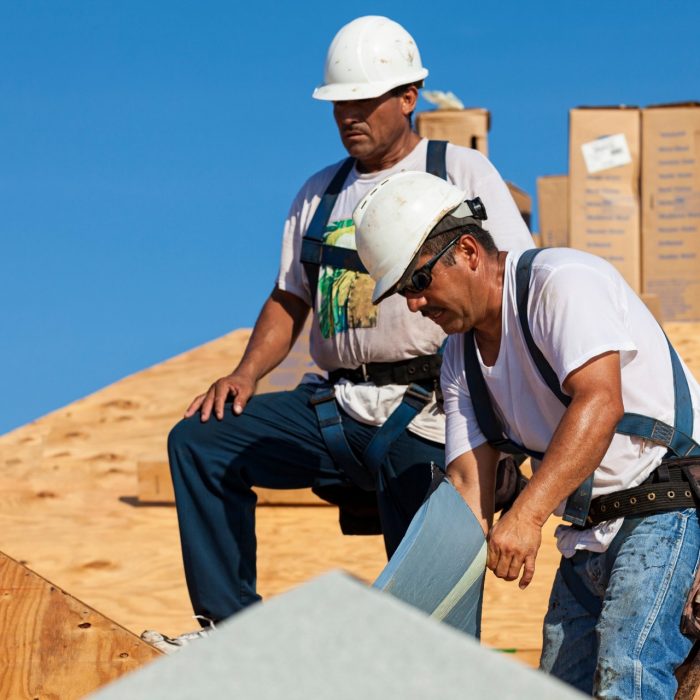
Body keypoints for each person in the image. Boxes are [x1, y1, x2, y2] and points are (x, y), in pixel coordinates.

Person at [142, 16, 533, 653]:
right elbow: (288, 297)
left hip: (430, 408)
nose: (349, 115)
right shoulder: (318, 195)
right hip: (334, 407)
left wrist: (503, 415)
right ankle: (230, 632)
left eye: (364, 101)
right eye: (339, 103)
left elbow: (508, 287)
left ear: (409, 97)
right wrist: (245, 374)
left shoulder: (459, 172)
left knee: (429, 567)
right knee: (201, 442)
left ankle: (431, 669)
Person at [352, 169, 700, 698]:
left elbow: (600, 402)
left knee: (629, 677)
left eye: (418, 282)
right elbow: (470, 488)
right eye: (402, 292)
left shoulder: (560, 283)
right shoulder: (458, 360)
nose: (414, 304)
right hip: (587, 536)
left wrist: (529, 514)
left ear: (468, 251)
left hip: (669, 506)